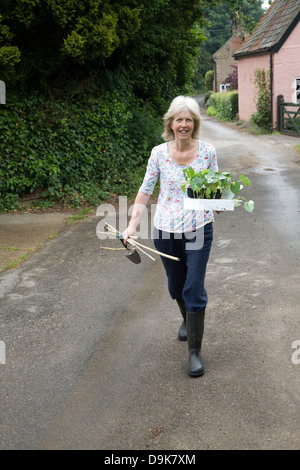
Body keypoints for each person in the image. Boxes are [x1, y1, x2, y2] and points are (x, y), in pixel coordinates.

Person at [122, 95, 218, 377]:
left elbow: (214, 187)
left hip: (199, 228)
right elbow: (145, 189)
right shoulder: (158, 153)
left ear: (195, 124)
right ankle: (187, 319)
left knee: (193, 288)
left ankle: (194, 352)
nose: (184, 124)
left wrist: (217, 202)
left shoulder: (208, 152)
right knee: (176, 287)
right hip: (165, 230)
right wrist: (131, 226)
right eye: (179, 119)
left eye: (189, 120)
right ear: (171, 123)